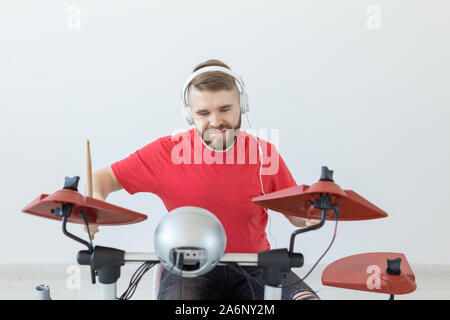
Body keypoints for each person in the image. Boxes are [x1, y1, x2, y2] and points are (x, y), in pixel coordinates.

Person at [83, 59, 320, 300]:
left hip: (255, 265)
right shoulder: (166, 152)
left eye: (225, 109)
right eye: (204, 113)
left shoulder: (263, 153)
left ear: (243, 106)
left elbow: (297, 217)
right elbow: (103, 178)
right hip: (189, 267)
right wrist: (94, 204)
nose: (216, 122)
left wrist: (311, 215)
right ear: (189, 115)